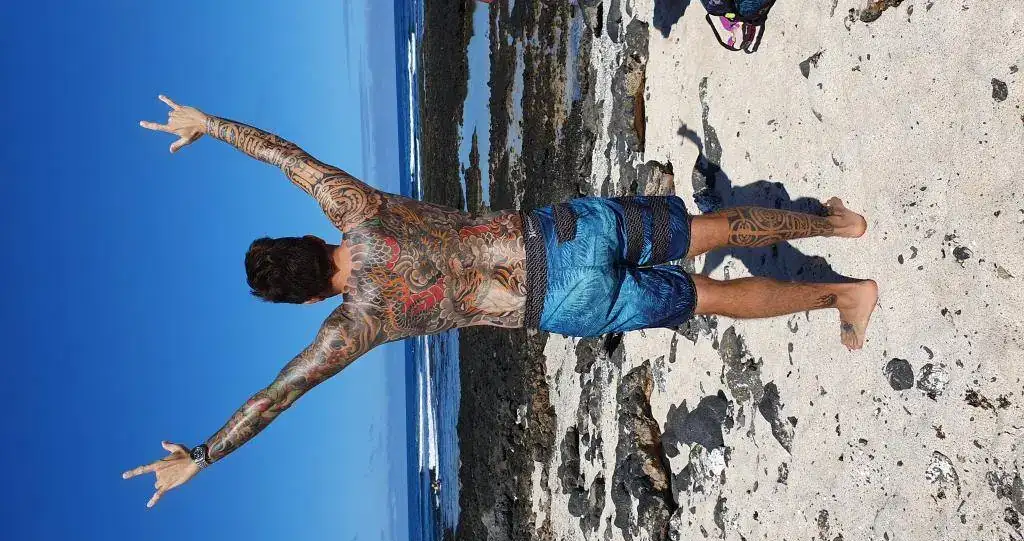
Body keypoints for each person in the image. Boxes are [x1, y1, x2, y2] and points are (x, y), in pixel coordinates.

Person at [123, 96, 877, 508]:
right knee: (708, 229)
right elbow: (286, 157)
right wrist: (209, 126)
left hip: (563, 304)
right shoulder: (355, 210)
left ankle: (844, 295)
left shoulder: (354, 327)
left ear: (304, 298)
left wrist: (205, 455)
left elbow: (277, 395)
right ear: (309, 238)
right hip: (562, 234)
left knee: (710, 299)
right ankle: (835, 224)